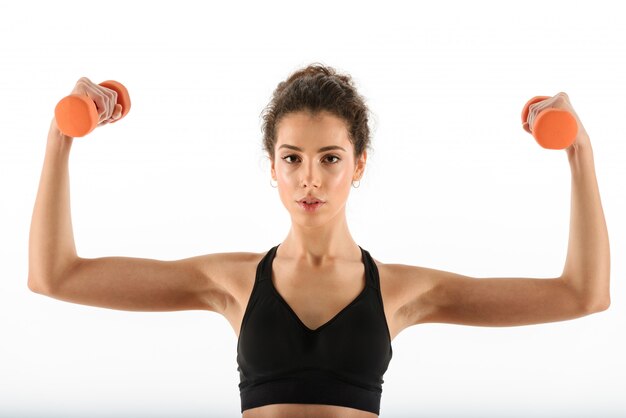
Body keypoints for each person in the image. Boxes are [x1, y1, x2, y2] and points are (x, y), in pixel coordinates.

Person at [28, 63, 611, 418]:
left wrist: (578, 149)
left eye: (330, 158)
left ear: (358, 165)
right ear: (273, 167)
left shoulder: (404, 290)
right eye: (293, 158)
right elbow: (55, 275)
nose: (310, 177)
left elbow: (583, 294)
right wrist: (61, 136)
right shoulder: (228, 282)